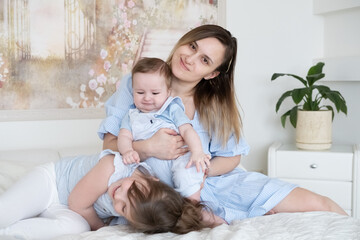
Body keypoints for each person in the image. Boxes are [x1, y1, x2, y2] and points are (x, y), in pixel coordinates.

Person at [98, 24, 347, 227]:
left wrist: (200, 172)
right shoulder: (138, 83)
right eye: (192, 46)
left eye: (204, 60)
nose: (190, 58)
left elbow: (232, 158)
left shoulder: (214, 105)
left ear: (212, 74)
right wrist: (149, 147)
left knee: (322, 205)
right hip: (168, 194)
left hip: (219, 183)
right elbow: (108, 143)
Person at [0, 150, 214, 239]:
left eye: (122, 208)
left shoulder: (141, 211)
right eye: (129, 190)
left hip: (66, 210)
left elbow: (174, 215)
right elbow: (77, 202)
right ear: (152, 179)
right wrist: (100, 228)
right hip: (53, 184)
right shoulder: (115, 166)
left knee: (77, 227)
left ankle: (10, 232)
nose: (116, 196)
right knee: (4, 211)